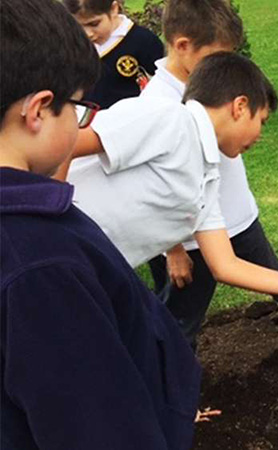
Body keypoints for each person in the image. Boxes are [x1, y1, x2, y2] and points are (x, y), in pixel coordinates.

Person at [0, 0, 199, 448]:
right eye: (79, 108)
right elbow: (98, 428)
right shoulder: (41, 267)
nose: (81, 120)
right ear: (37, 110)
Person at [66, 52, 278, 311]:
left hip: (83, 274)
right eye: (262, 120)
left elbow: (225, 265)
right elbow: (64, 144)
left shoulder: (207, 177)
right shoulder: (170, 118)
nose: (260, 135)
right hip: (51, 247)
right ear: (240, 106)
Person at [129, 0, 278, 350]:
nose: (228, 62)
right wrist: (173, 249)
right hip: (193, 239)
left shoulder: (217, 82)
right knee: (180, 321)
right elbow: (149, 182)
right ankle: (173, 388)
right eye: (219, 54)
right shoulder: (157, 105)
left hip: (239, 218)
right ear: (182, 46)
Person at [65, 0, 163, 108]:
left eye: (94, 24)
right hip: (86, 120)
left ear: (113, 9)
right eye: (78, 26)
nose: (88, 33)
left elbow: (163, 85)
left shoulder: (144, 41)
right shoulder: (73, 43)